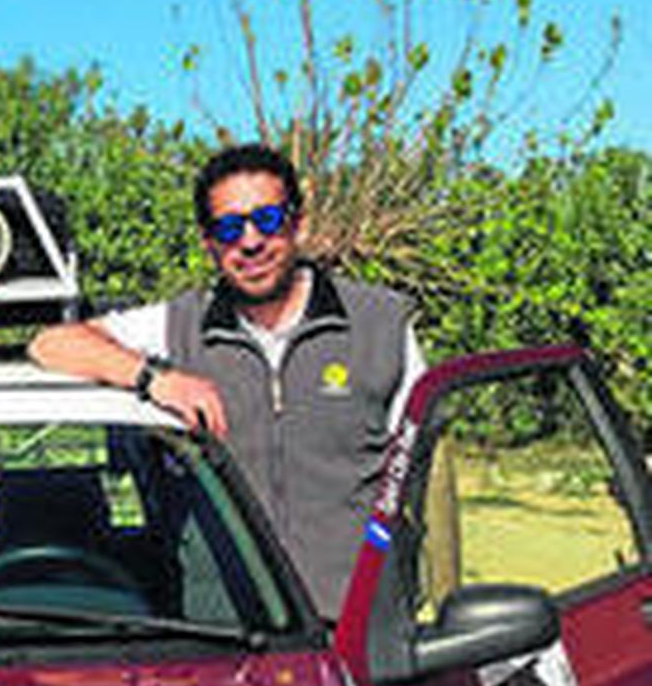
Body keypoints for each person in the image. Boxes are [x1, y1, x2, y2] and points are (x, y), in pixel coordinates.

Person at [29, 143, 424, 621]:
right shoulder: (177, 326)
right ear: (208, 242)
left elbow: (423, 484)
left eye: (268, 219)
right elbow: (50, 344)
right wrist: (156, 379)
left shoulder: (382, 324)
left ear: (298, 222)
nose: (251, 241)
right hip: (227, 636)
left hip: (361, 631)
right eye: (230, 227)